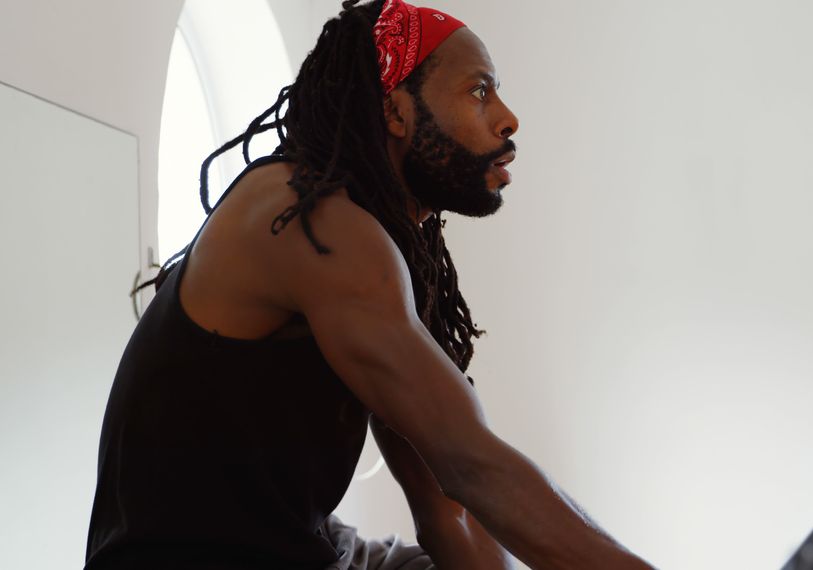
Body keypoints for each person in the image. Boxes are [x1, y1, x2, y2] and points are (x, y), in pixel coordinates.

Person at [84, 1, 655, 569]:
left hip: (300, 545)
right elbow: (471, 466)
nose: (507, 118)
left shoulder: (382, 250)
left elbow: (448, 506)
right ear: (397, 112)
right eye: (480, 91)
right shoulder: (308, 220)